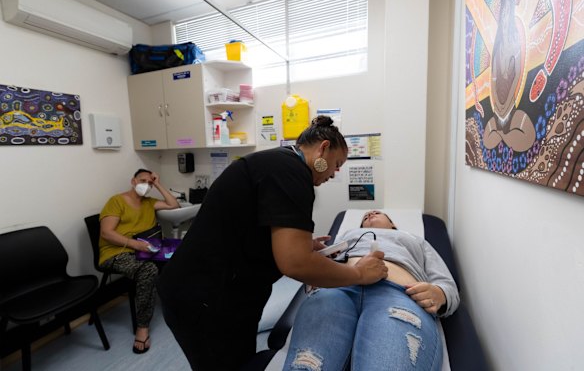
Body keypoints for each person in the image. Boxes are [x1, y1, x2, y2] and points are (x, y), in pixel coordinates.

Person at [156, 116, 389, 370]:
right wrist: (358, 273)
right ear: (323, 148)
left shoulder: (278, 163)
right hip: (205, 297)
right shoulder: (290, 173)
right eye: (336, 164)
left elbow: (255, 225)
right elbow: (296, 264)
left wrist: (304, 243)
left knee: (240, 360)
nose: (335, 173)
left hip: (217, 292)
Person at [282, 210, 460, 371]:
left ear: (393, 224)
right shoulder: (348, 237)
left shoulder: (415, 240)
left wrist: (440, 294)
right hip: (336, 290)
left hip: (397, 295)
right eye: (364, 217)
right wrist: (319, 266)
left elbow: (446, 283)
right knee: (307, 365)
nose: (369, 214)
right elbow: (318, 268)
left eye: (377, 213)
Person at [98, 169, 179, 354]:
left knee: (176, 257)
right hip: (116, 253)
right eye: (143, 181)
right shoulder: (116, 201)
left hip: (143, 251)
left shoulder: (149, 203)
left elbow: (173, 204)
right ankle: (142, 327)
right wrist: (135, 245)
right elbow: (106, 233)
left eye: (150, 183)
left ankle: (176, 306)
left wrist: (158, 184)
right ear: (133, 181)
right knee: (149, 270)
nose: (146, 185)